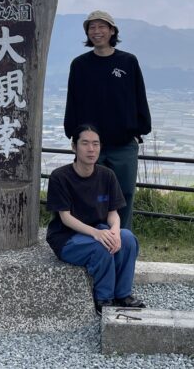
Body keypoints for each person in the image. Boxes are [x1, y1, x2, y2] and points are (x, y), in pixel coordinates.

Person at [64, 10, 151, 231]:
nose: (97, 31)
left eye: (102, 26)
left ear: (112, 31)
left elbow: (139, 97)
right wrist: (72, 132)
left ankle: (122, 239)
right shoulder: (80, 65)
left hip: (124, 143)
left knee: (125, 194)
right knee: (90, 194)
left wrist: (140, 129)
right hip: (91, 144)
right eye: (92, 27)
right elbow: (72, 101)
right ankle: (95, 238)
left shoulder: (128, 62)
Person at [46, 125, 145, 314]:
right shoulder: (60, 177)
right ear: (74, 147)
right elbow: (65, 218)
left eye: (95, 144)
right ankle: (104, 298)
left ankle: (123, 294)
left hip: (97, 230)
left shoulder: (107, 175)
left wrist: (115, 231)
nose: (91, 149)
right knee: (101, 247)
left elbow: (113, 213)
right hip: (67, 237)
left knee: (128, 239)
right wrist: (97, 234)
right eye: (85, 143)